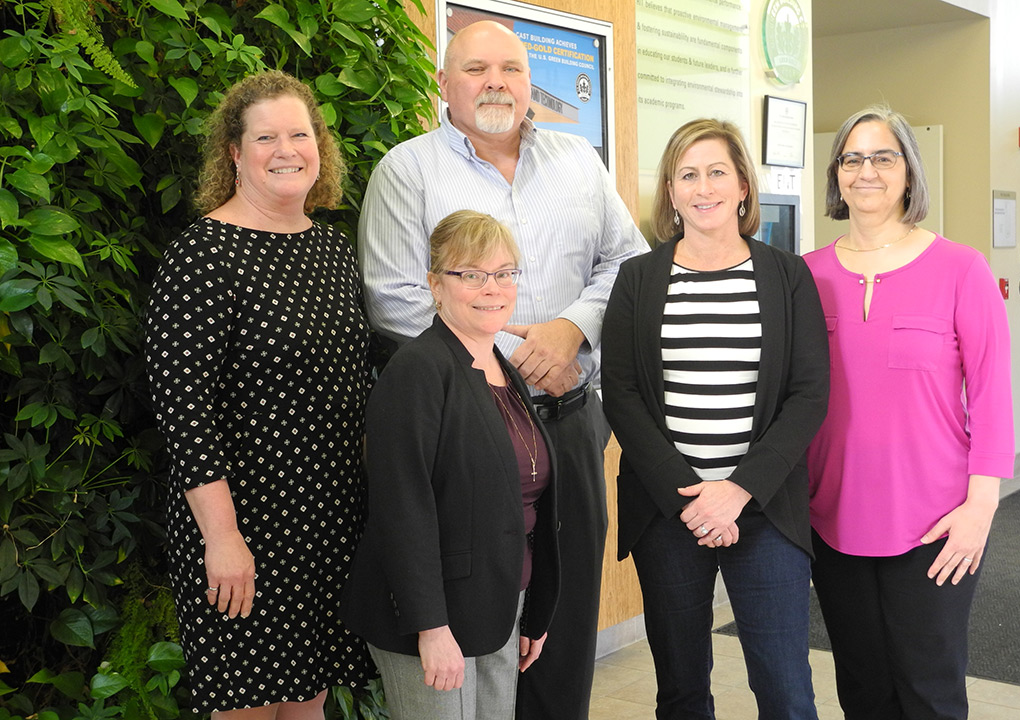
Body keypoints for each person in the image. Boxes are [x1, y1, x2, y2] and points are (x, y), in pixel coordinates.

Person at [358, 19, 647, 719]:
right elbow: (393, 296)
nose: (496, 83)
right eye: (477, 69)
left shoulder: (578, 160)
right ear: (443, 85)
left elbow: (629, 263)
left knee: (559, 607)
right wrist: (520, 358)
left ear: (531, 83)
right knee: (480, 604)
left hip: (572, 420)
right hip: (466, 423)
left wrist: (570, 330)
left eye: (512, 70)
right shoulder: (409, 168)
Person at [144, 70, 374, 718]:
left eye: (299, 134)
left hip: (327, 526)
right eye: (266, 136)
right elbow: (185, 416)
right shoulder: (203, 254)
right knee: (245, 706)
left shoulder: (331, 250)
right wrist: (223, 538)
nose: (286, 149)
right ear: (234, 153)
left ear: (319, 147)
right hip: (241, 529)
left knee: (308, 703)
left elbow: (350, 391)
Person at [601, 118, 829, 720]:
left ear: (744, 186)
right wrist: (692, 499)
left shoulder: (787, 275)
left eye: (717, 172)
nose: (704, 187)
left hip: (765, 509)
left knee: (785, 688)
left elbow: (808, 395)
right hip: (667, 510)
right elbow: (620, 394)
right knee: (680, 688)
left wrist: (737, 492)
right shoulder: (637, 279)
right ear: (671, 192)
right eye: (688, 174)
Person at [804, 105, 1014, 720]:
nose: (866, 171)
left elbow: (992, 395)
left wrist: (982, 506)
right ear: (837, 174)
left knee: (930, 691)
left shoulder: (960, 268)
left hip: (937, 523)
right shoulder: (806, 275)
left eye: (883, 156)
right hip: (833, 519)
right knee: (862, 690)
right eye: (851, 158)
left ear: (908, 172)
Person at [340, 210, 559, 720]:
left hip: (502, 602)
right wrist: (430, 627)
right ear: (436, 284)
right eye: (472, 275)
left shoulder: (502, 367)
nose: (493, 288)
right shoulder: (418, 369)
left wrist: (534, 608)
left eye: (505, 273)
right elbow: (401, 507)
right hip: (434, 617)